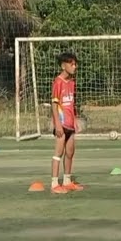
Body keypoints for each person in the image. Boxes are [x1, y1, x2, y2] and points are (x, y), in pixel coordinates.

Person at [50, 52, 84, 194]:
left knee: (70, 152)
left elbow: (72, 104)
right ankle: (54, 183)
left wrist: (75, 120)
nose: (74, 66)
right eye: (72, 64)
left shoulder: (71, 83)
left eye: (75, 64)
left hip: (70, 123)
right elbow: (54, 104)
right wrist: (57, 123)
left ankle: (67, 180)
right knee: (59, 152)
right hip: (61, 123)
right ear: (64, 65)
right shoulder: (58, 82)